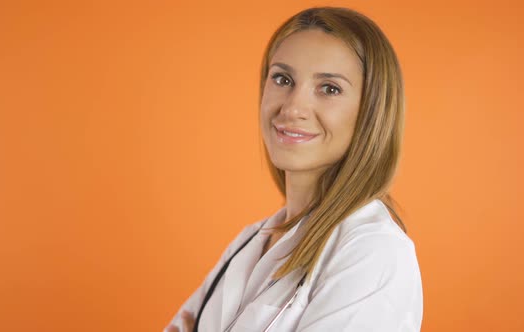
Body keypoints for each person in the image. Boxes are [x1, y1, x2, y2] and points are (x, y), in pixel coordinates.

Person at [165, 6, 423, 332]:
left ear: (371, 111)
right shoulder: (252, 240)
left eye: (329, 88)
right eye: (283, 79)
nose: (293, 108)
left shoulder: (374, 252)